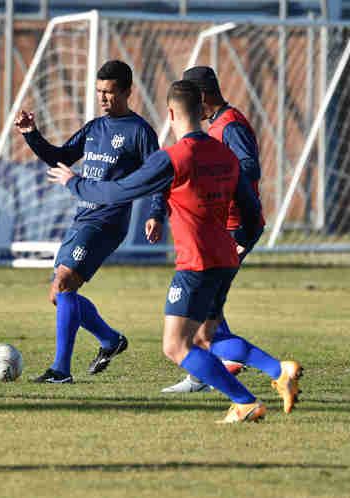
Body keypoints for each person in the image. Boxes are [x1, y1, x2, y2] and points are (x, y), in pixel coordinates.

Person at [47, 79, 268, 423]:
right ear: (202, 109)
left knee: (176, 346)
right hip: (226, 257)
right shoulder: (224, 153)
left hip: (196, 261)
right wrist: (245, 238)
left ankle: (246, 400)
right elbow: (251, 208)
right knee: (205, 337)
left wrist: (74, 183)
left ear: (170, 113)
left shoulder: (174, 157)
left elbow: (119, 191)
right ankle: (269, 377)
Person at [159, 66, 302, 414]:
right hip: (222, 230)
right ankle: (273, 373)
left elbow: (247, 168)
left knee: (199, 332)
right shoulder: (217, 127)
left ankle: (235, 386)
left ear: (204, 97)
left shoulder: (230, 126)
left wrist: (220, 186)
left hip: (231, 230)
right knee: (207, 330)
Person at [16, 60, 164, 383]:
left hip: (108, 222)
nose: (103, 98)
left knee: (65, 282)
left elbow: (159, 176)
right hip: (83, 217)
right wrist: (31, 135)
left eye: (110, 92)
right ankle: (110, 340)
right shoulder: (95, 128)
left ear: (127, 92)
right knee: (58, 294)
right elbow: (61, 156)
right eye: (99, 92)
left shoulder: (140, 132)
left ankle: (61, 370)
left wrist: (155, 213)